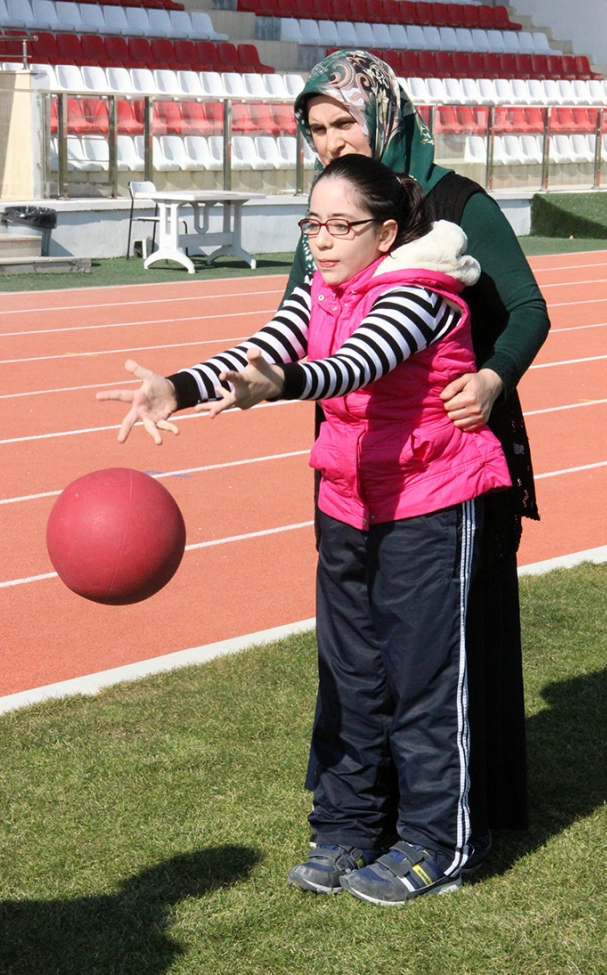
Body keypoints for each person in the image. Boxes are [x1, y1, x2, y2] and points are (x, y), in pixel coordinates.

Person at [99, 153, 512, 905]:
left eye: (340, 226)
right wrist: (178, 386)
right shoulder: (322, 288)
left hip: (430, 502)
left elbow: (356, 362)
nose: (321, 240)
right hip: (349, 501)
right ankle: (351, 825)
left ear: (385, 232)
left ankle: (440, 840)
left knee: (424, 681)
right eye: (312, 224)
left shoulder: (422, 292)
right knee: (353, 677)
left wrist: (282, 386)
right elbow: (268, 346)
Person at [285, 50, 551, 853]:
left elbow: (529, 310)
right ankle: (367, 812)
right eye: (317, 129)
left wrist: (495, 379)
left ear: (385, 115)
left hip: (456, 450)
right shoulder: (337, 212)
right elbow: (300, 321)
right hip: (356, 459)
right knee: (360, 645)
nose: (332, 141)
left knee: (450, 641)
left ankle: (461, 810)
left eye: (344, 122)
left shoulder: (457, 201)